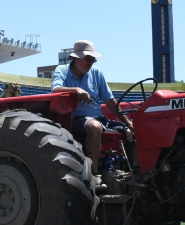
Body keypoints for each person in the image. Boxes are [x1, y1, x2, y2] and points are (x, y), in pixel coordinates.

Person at [51, 40, 134, 189]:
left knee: (131, 132)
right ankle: (95, 175)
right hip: (75, 120)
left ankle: (133, 173)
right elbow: (55, 89)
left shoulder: (96, 72)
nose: (90, 63)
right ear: (76, 58)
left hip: (97, 117)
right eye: (87, 59)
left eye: (92, 60)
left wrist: (128, 123)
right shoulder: (62, 70)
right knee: (95, 126)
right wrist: (75, 90)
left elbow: (109, 100)